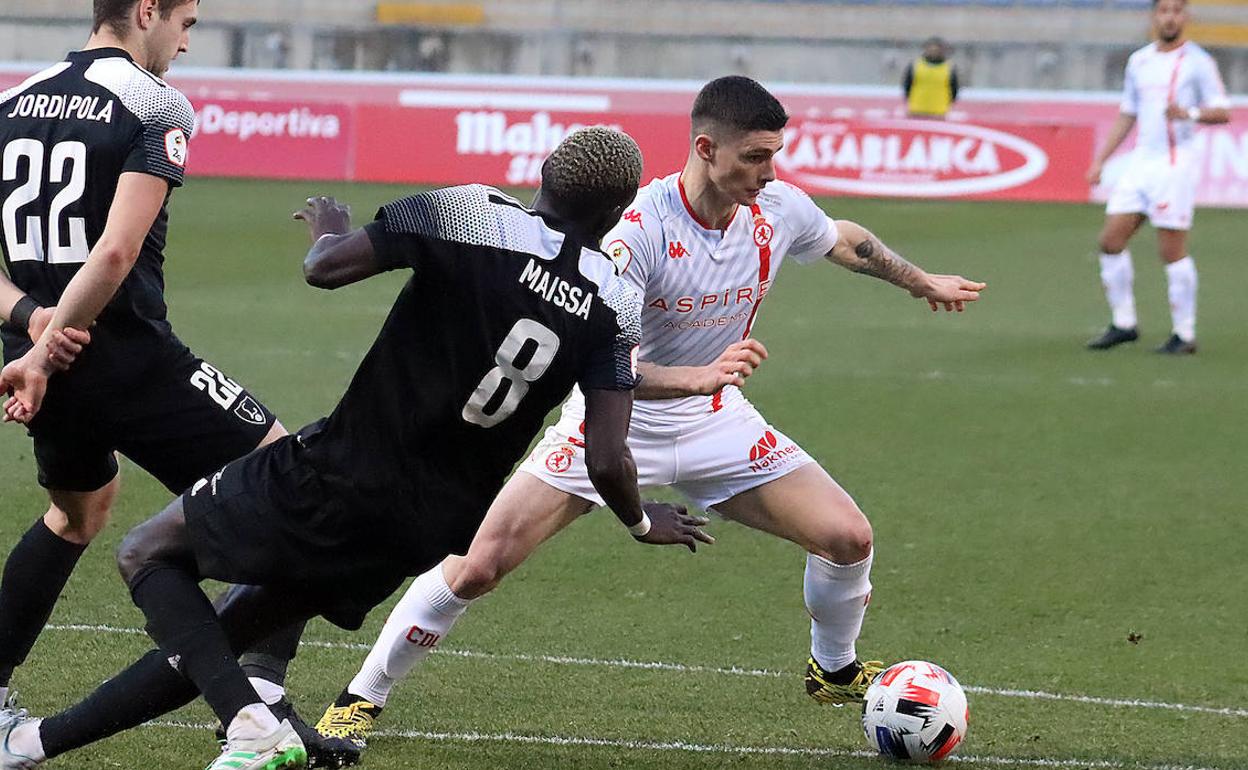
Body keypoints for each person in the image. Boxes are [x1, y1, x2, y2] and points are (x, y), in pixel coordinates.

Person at [311, 75, 986, 756]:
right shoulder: (637, 232)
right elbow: (602, 365)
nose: (769, 172)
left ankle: (833, 669)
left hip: (718, 422)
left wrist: (919, 280)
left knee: (848, 538)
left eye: (775, 155)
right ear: (705, 147)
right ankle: (361, 695)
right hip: (610, 426)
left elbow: (842, 238)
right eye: (755, 157)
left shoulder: (776, 208)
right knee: (478, 566)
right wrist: (695, 377)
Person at [0, 126, 712, 770]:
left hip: (340, 475)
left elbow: (328, 269)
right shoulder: (615, 302)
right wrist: (641, 521)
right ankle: (32, 746)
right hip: (427, 529)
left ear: (545, 173)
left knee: (146, 552)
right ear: (617, 216)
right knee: (227, 631)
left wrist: (333, 226)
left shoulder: (471, 212)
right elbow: (607, 458)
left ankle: (251, 722)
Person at [0, 0, 321, 750]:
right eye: (186, 21)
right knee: (294, 482)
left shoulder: (13, 100)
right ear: (146, 10)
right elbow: (114, 254)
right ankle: (255, 709)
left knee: (77, 515)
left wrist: (34, 327)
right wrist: (47, 349)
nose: (185, 39)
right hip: (132, 361)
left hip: (59, 373)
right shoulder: (154, 103)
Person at [1084, 0, 1230, 355]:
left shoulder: (1198, 62)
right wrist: (1101, 159)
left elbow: (1222, 111)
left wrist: (1189, 112)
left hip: (1174, 165)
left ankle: (1185, 333)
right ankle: (1124, 324)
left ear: (1186, 16)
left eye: (1177, 11)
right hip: (1140, 165)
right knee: (1110, 242)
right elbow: (1127, 114)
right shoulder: (1139, 61)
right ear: (1154, 16)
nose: (1170, 17)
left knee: (1171, 250)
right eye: (1164, 11)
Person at [903, 37, 959, 119]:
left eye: (937, 50)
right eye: (931, 49)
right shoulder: (915, 65)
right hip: (916, 110)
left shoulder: (949, 68)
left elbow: (954, 89)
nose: (933, 52)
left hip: (939, 112)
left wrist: (946, 104)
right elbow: (907, 86)